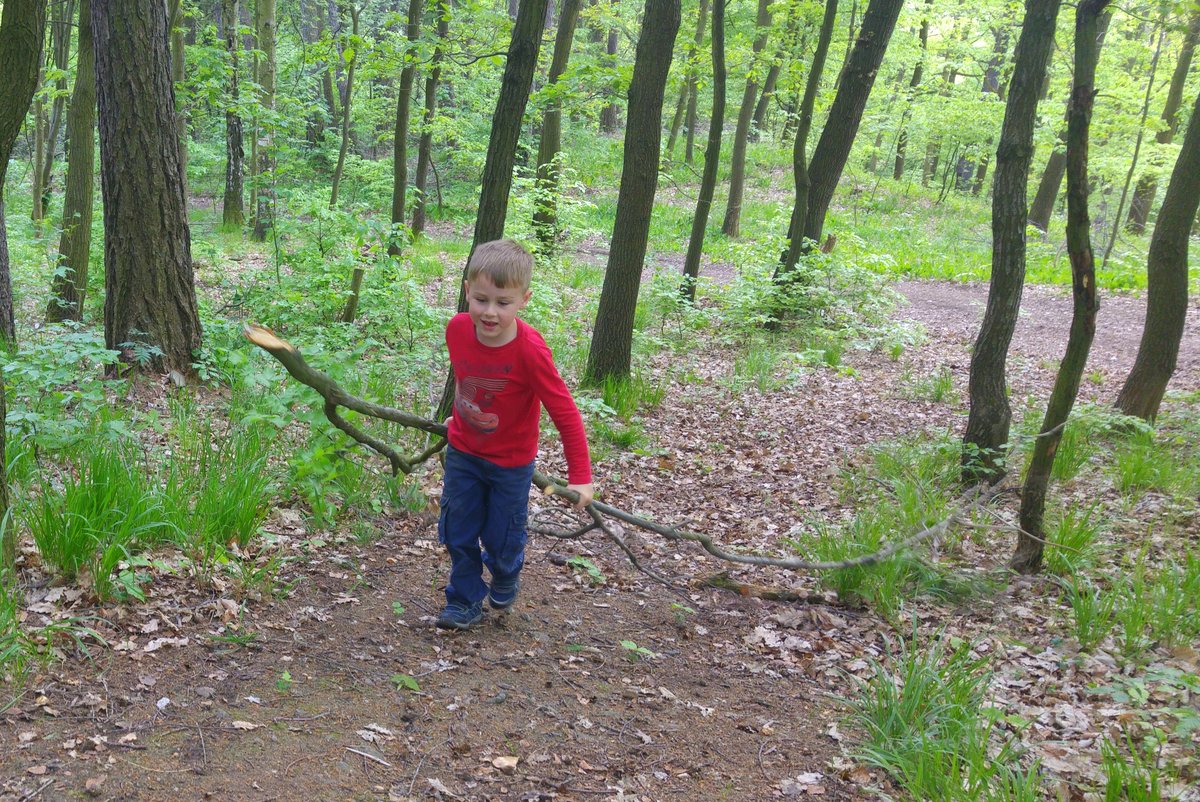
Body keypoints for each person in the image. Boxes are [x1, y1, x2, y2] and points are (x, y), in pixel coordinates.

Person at [437, 239, 594, 630]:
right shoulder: (457, 329)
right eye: (481, 299)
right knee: (457, 529)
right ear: (467, 291)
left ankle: (506, 570)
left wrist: (581, 476)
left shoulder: (530, 351)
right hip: (464, 452)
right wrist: (459, 418)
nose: (490, 312)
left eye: (503, 302)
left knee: (502, 536)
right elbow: (467, 378)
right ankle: (464, 600)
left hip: (510, 464)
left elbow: (565, 413)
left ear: (524, 299)